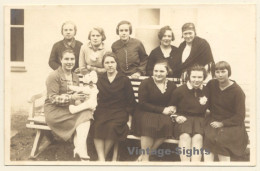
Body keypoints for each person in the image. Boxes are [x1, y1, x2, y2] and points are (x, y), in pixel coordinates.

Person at [44, 49, 92, 161]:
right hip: (54, 110)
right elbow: (53, 98)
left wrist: (82, 98)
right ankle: (82, 151)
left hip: (69, 108)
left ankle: (80, 149)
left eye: (72, 59)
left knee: (86, 113)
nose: (69, 62)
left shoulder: (75, 76)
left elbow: (76, 94)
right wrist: (72, 97)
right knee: (83, 118)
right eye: (66, 59)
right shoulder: (54, 76)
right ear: (61, 60)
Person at [91, 52, 136, 161]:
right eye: (107, 63)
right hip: (102, 110)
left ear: (116, 64)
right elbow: (94, 96)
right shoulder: (100, 79)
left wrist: (129, 120)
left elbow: (131, 102)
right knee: (98, 126)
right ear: (103, 65)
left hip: (119, 111)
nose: (110, 65)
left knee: (112, 127)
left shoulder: (124, 79)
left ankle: (102, 158)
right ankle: (102, 159)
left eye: (112, 62)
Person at [203, 61, 248, 162]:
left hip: (232, 124)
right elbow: (204, 99)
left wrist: (222, 123)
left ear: (229, 72)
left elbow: (240, 117)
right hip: (214, 120)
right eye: (217, 72)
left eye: (223, 71)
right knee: (209, 138)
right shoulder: (212, 84)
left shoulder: (237, 91)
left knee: (221, 141)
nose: (220, 75)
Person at [132, 61, 177, 161]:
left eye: (161, 71)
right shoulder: (145, 83)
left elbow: (173, 101)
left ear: (167, 72)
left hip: (162, 114)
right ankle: (146, 159)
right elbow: (142, 104)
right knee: (149, 125)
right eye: (155, 71)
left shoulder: (171, 85)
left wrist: (172, 108)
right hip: (145, 111)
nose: (158, 73)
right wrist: (162, 110)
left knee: (168, 125)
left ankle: (144, 156)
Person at [169, 64, 209, 162]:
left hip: (200, 120)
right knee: (185, 136)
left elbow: (210, 108)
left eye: (200, 77)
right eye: (193, 76)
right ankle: (185, 165)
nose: (196, 79)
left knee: (198, 137)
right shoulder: (180, 90)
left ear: (204, 78)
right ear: (189, 77)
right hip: (183, 118)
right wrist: (176, 117)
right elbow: (171, 108)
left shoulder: (207, 90)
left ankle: (195, 166)